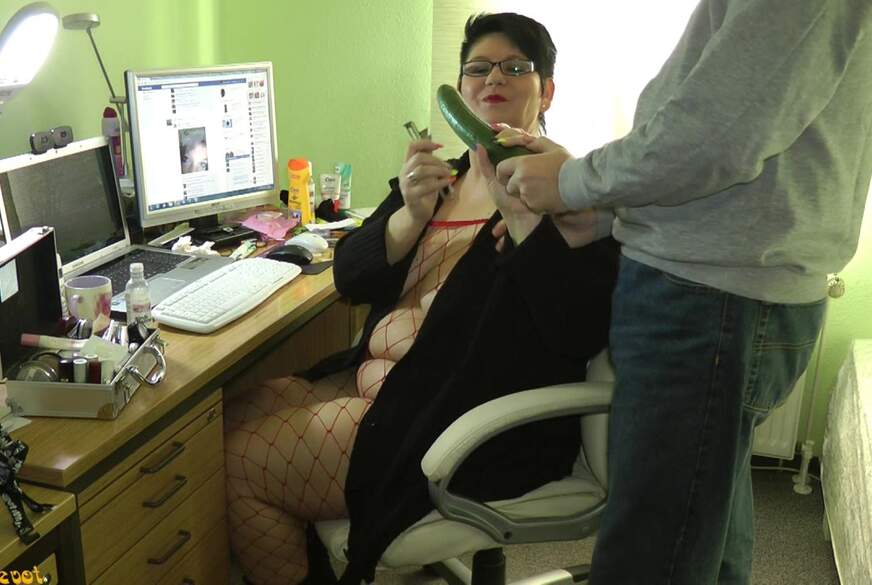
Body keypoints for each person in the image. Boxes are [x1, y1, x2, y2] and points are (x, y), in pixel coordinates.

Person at [223, 12, 619, 585]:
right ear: (460, 90)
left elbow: (578, 327)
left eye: (515, 67)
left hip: (463, 428)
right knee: (227, 419)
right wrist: (408, 216)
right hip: (382, 390)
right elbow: (350, 280)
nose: (493, 78)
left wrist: (527, 226)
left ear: (548, 91)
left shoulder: (571, 190)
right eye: (477, 68)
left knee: (243, 465)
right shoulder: (441, 180)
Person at [489, 1, 872, 583]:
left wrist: (573, 181)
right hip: (713, 291)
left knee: (653, 557)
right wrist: (609, 215)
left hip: (710, 299)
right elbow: (735, 138)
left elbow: (717, 136)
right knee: (703, 535)